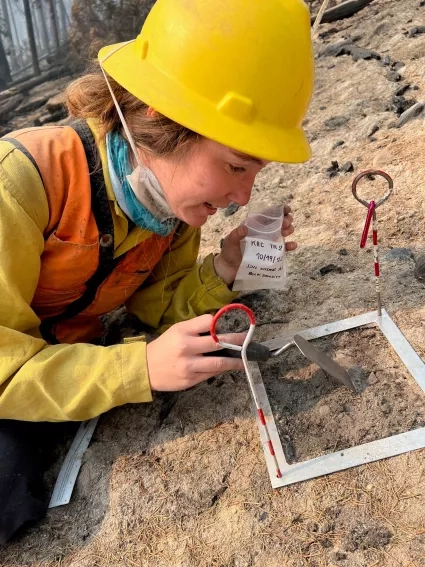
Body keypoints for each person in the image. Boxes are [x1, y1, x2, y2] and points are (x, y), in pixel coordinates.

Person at [0, 0, 314, 545]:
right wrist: (137, 368)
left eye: (254, 172)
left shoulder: (165, 205)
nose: (242, 197)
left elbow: (153, 306)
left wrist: (224, 268)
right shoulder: (20, 187)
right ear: (154, 119)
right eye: (236, 166)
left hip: (59, 356)